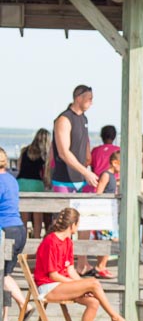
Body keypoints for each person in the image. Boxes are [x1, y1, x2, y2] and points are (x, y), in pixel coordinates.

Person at [33, 207, 135, 321]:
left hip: (61, 285)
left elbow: (70, 270)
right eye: (78, 224)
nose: (79, 227)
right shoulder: (51, 241)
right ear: (72, 225)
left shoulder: (67, 242)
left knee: (93, 301)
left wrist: (81, 285)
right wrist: (81, 285)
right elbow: (53, 275)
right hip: (48, 287)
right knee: (93, 283)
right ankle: (115, 317)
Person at [52, 85, 97, 273]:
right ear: (78, 98)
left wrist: (88, 165)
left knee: (85, 221)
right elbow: (63, 152)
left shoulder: (84, 119)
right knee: (63, 224)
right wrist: (86, 172)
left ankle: (81, 263)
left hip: (81, 178)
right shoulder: (64, 119)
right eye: (89, 98)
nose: (91, 102)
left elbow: (84, 144)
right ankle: (60, 264)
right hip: (64, 179)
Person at [0, 147, 28, 321]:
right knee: (5, 274)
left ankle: (24, 304)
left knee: (2, 274)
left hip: (6, 231)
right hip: (19, 229)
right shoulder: (11, 179)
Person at [91, 150, 122, 279]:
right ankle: (101, 266)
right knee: (108, 239)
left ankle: (101, 266)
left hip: (110, 213)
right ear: (115, 163)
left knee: (108, 239)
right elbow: (99, 192)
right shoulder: (106, 175)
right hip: (104, 213)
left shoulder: (113, 176)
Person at [16, 128, 50, 238]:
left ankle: (23, 240)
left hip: (21, 182)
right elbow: (46, 174)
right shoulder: (45, 154)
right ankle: (36, 239)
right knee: (38, 216)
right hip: (36, 183)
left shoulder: (24, 150)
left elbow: (19, 167)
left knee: (24, 216)